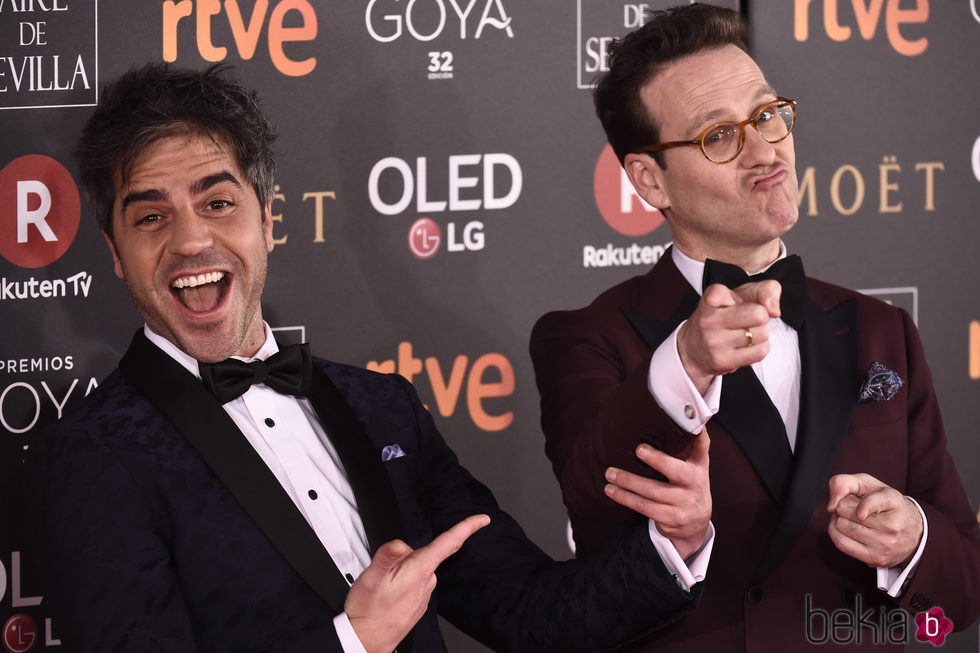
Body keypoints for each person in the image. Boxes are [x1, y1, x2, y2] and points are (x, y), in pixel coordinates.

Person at [22, 62, 711, 653]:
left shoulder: (382, 408)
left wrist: (671, 547)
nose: (190, 242)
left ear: (267, 219)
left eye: (218, 202)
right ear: (115, 254)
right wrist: (352, 641)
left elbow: (532, 613)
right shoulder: (89, 456)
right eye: (151, 217)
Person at [530, 4, 979, 651]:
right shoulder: (589, 339)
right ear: (650, 179)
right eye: (719, 136)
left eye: (767, 115)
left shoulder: (883, 330)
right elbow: (593, 512)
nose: (766, 148)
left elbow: (962, 591)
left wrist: (913, 540)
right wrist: (683, 361)